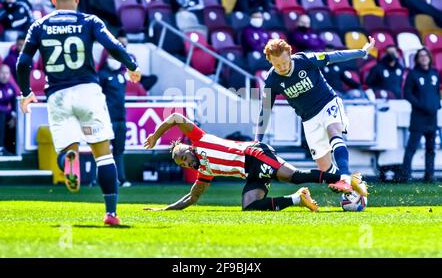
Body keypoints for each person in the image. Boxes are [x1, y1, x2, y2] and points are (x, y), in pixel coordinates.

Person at [16, 0, 141, 226]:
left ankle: (68, 161)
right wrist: (132, 66)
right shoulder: (89, 21)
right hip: (88, 91)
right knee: (104, 155)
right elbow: (113, 45)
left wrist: (26, 92)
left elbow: (22, 63)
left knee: (67, 149)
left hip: (58, 96)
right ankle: (111, 213)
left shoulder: (39, 25)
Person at [142, 113, 366, 211]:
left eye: (183, 157)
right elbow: (192, 197)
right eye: (182, 164)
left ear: (189, 148)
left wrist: (155, 135)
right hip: (251, 173)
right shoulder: (204, 172)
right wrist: (165, 209)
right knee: (249, 206)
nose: (185, 162)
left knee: (292, 176)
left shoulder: (199, 139)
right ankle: (298, 199)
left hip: (255, 154)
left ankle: (347, 178)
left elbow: (175, 119)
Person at [255, 38, 376, 197]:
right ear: (270, 61)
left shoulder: (305, 60)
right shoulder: (272, 80)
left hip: (328, 103)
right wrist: (257, 140)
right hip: (309, 119)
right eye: (277, 65)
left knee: (334, 130)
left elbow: (335, 55)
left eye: (285, 62)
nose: (282, 67)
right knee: (325, 169)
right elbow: (265, 110)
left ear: (290, 55)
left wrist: (362, 52)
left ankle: (346, 176)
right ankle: (348, 181)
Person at [98, 29, 158, 187]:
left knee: (119, 151)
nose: (113, 59)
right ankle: (97, 179)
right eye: (111, 56)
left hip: (120, 118)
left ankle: (121, 178)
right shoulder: (102, 75)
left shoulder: (121, 76)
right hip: (106, 118)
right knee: (102, 151)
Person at [400, 48, 441, 183]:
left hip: (432, 117)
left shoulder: (435, 73)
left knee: (431, 149)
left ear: (430, 57)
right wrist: (420, 105)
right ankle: (405, 176)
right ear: (417, 59)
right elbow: (407, 93)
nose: (424, 58)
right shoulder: (413, 74)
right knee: (412, 148)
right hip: (418, 117)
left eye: (426, 55)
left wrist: (436, 104)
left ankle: (429, 176)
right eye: (421, 56)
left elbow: (436, 91)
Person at [0, 64, 17, 156]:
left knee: (16, 119)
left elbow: (15, 105)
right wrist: (10, 113)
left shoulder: (10, 87)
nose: (5, 75)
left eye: (7, 73)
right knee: (1, 114)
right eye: (2, 73)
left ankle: (12, 147)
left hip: (2, 115)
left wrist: (14, 117)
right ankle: (0, 148)